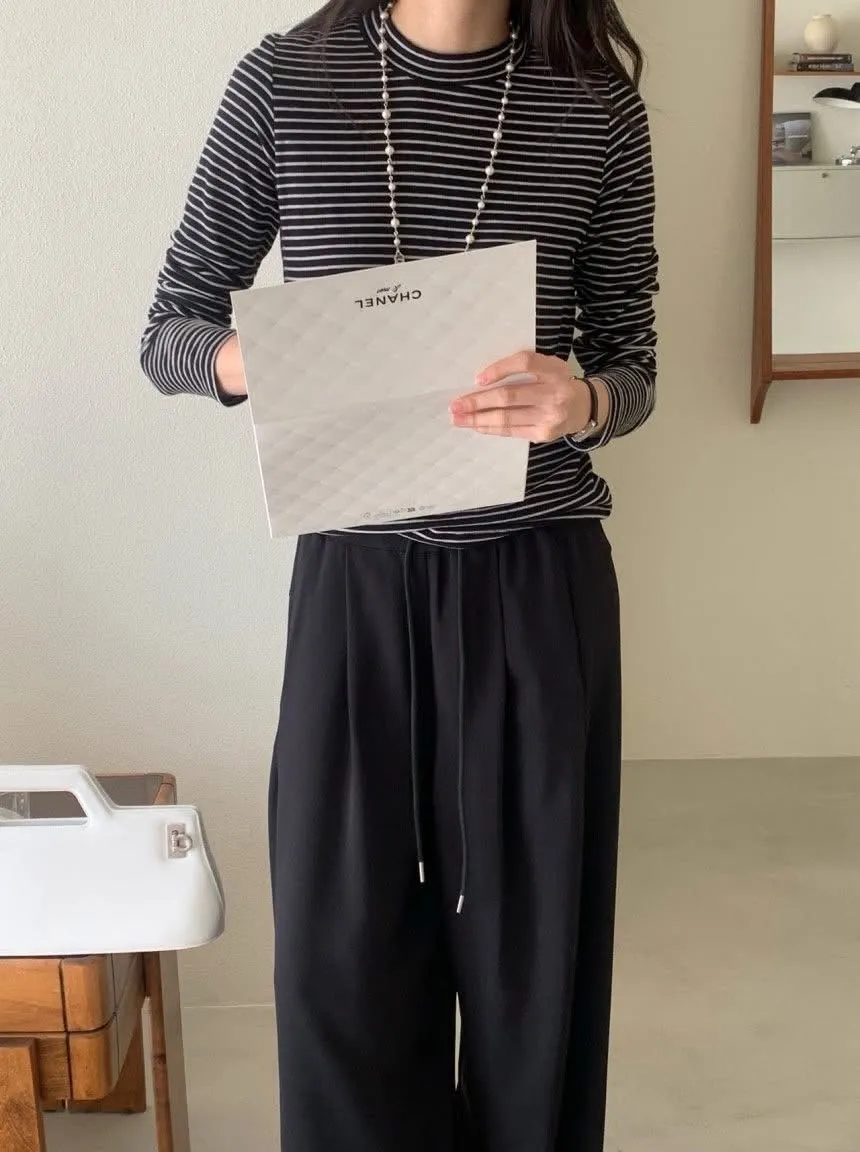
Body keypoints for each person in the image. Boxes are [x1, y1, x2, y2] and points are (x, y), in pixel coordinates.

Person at [140, 0, 658, 1148]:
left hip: (536, 584)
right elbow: (169, 331)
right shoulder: (287, 82)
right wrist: (269, 360)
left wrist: (582, 399)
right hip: (354, 585)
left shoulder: (593, 106)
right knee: (341, 958)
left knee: (532, 966)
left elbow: (632, 358)